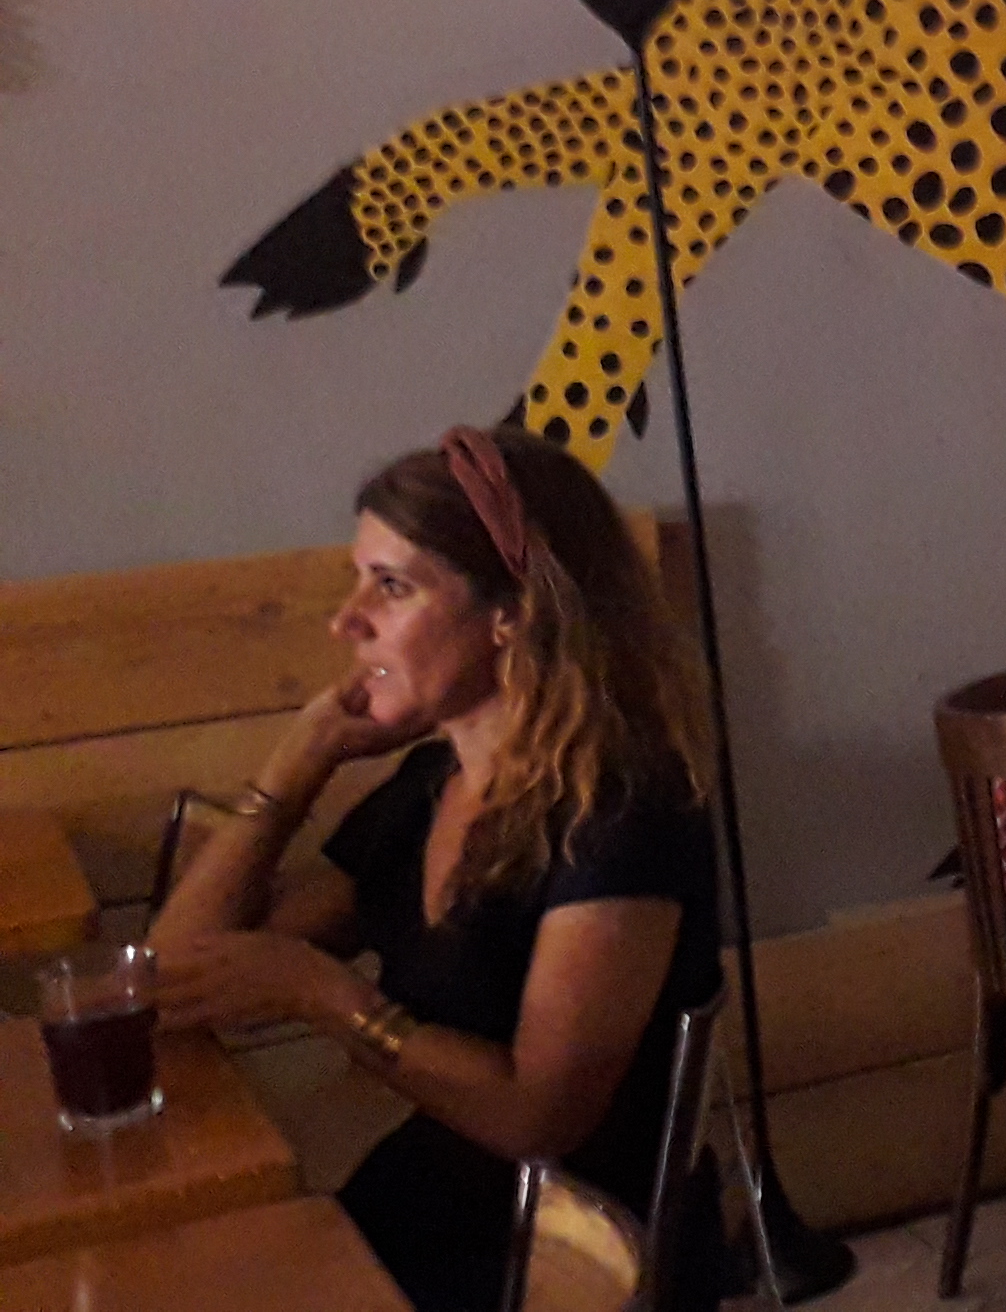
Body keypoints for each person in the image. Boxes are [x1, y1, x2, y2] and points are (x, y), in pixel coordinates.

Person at [154, 427, 724, 1312]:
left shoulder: (622, 814)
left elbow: (540, 1118)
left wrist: (322, 995)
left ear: (513, 613)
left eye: (392, 586)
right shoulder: (430, 789)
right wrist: (297, 766)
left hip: (566, 1263)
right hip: (438, 1211)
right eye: (359, 581)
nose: (347, 621)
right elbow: (170, 975)